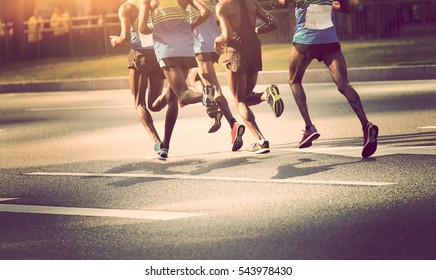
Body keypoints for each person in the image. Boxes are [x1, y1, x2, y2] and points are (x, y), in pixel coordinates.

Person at [277, 0, 378, 158]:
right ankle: (366, 125)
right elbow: (345, 8)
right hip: (329, 40)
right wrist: (325, 5)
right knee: (343, 84)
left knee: (294, 80)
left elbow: (284, 2)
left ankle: (309, 127)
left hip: (306, 40)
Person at [138, 0, 220, 134]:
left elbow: (142, 29)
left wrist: (159, 27)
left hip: (167, 50)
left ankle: (204, 96)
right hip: (186, 48)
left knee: (182, 95)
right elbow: (205, 12)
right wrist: (191, 26)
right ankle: (165, 145)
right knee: (173, 95)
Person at [109, 0, 177, 160]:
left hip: (140, 57)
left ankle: (157, 143)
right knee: (154, 105)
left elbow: (125, 36)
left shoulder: (127, 8)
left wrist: (116, 40)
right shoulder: (155, 3)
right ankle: (173, 90)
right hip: (158, 54)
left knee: (139, 103)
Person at [214, 0, 284, 154]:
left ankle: (260, 140)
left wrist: (216, 41)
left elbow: (227, 35)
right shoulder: (252, 2)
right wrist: (255, 30)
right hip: (254, 50)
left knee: (239, 101)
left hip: (237, 53)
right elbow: (274, 23)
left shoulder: (223, 6)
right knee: (246, 97)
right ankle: (267, 95)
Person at [187, 0, 245, 152]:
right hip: (211, 44)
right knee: (192, 78)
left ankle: (233, 123)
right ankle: (209, 103)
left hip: (201, 46)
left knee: (214, 87)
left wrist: (190, 27)